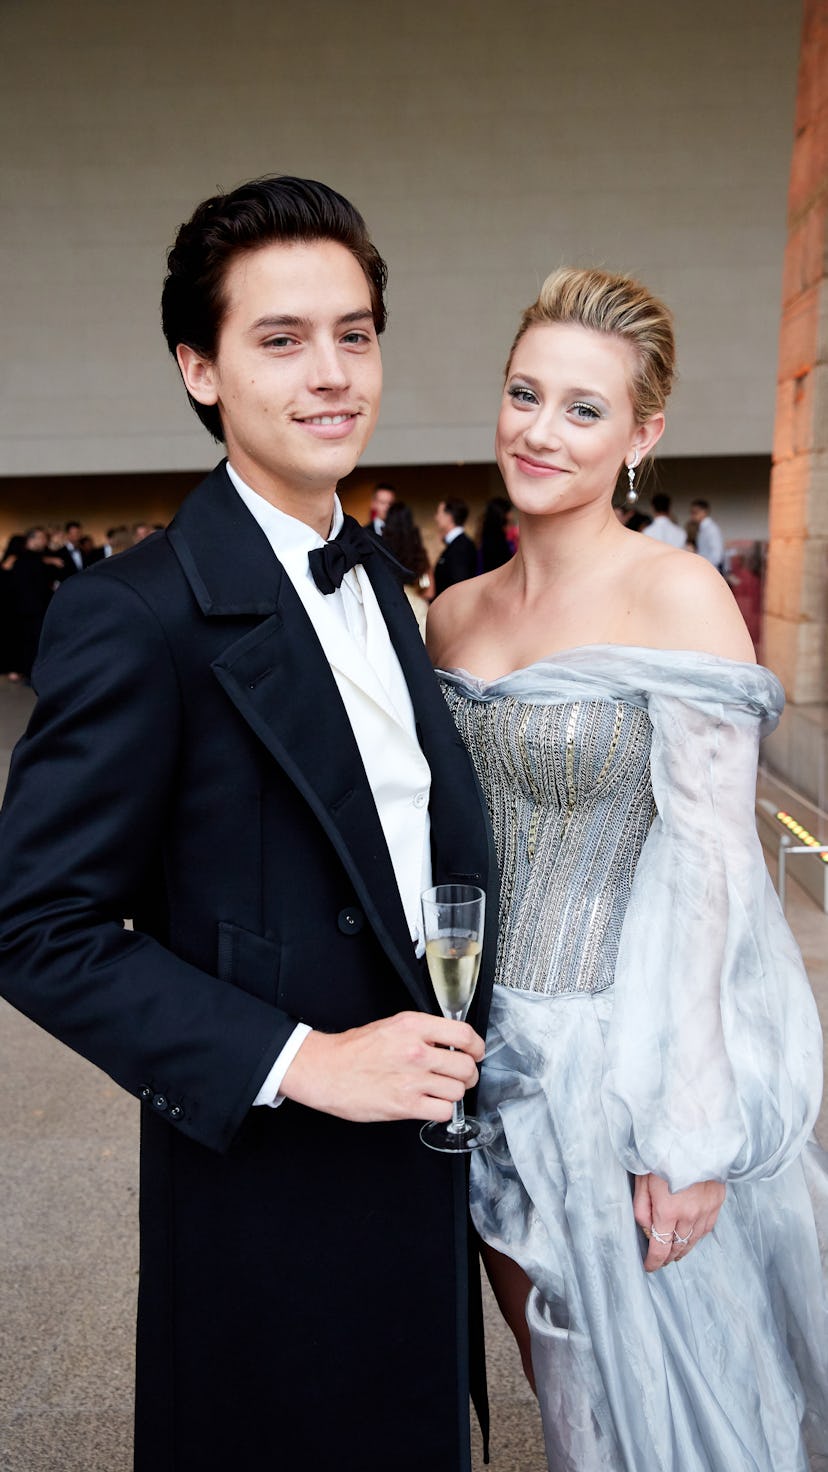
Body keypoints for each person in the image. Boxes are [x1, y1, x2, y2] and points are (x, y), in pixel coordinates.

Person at [0, 175, 496, 1472]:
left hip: (423, 1165)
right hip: (274, 1194)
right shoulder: (137, 612)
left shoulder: (381, 578)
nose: (331, 372)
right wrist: (304, 1059)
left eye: (354, 332)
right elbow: (35, 924)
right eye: (280, 339)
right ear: (200, 368)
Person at [427, 266, 828, 1471]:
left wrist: (690, 1127)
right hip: (491, 1075)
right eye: (524, 393)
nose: (540, 430)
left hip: (627, 1075)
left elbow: (714, 876)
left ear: (642, 432)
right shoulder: (456, 612)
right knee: (568, 1407)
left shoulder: (681, 595)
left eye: (583, 408)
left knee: (664, 1425)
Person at [381, 499, 433, 634]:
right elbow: (430, 591)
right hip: (418, 607)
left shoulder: (381, 549)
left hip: (391, 609)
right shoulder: (418, 549)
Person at [434, 498, 477, 594]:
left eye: (438, 513)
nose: (436, 518)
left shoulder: (460, 546)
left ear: (449, 517)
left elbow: (460, 585)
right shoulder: (457, 544)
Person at [479, 495, 514, 572]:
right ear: (502, 513)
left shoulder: (488, 533)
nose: (511, 516)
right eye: (509, 512)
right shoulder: (496, 537)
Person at [689, 497, 724, 570]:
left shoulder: (711, 529)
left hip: (710, 569)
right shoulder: (702, 529)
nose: (692, 516)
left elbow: (716, 556)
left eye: (695, 513)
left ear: (704, 512)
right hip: (705, 568)